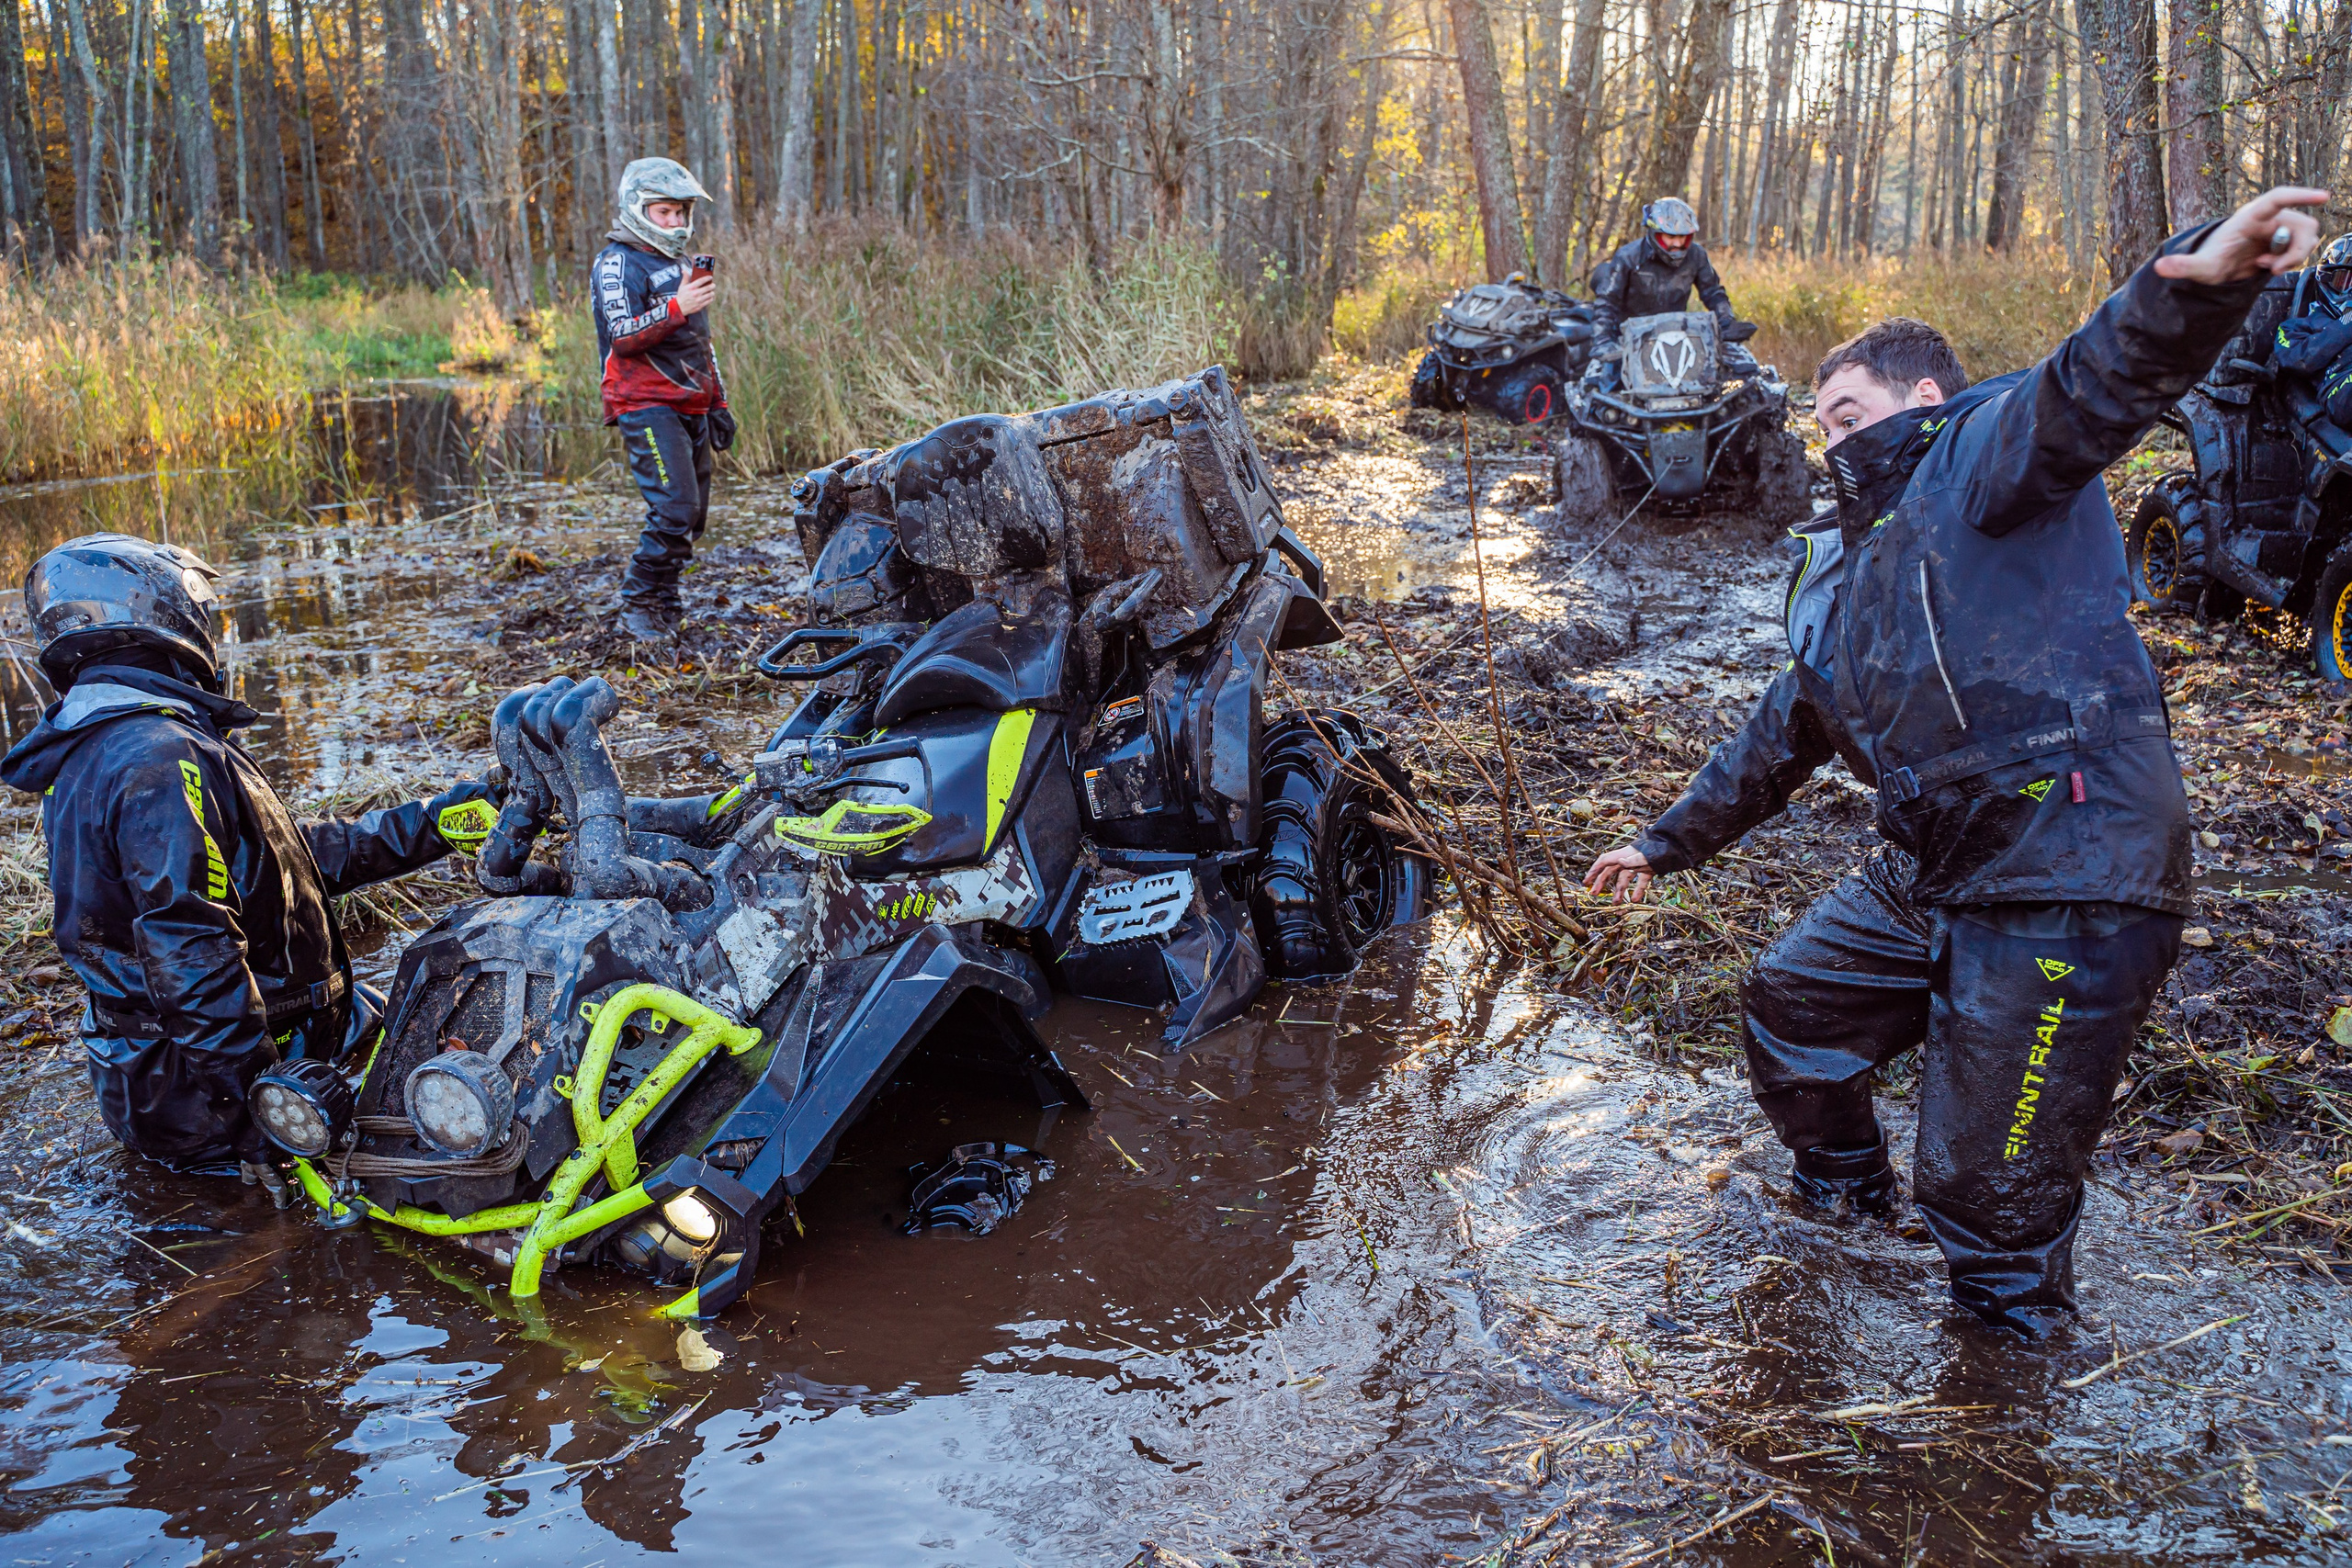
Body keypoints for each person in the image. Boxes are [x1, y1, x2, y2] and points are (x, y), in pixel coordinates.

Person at [1580, 186, 2329, 1339]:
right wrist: (1658, 844)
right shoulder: (1851, 569)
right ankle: (1842, 1217)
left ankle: (2003, 1389)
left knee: (1986, 1195)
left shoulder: (1981, 454)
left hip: (2065, 855)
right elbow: (1782, 730)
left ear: (1922, 398)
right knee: (1791, 1007)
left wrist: (2199, 284)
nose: (1830, 439)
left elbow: (2094, 380)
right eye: (1820, 423)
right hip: (1936, 861)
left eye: (1846, 412)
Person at [0, 535, 498, 1174]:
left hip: (206, 1066)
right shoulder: (158, 756)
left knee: (438, 1001)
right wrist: (261, 1113)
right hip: (209, 1094)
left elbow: (277, 862)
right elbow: (191, 952)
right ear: (159, 613)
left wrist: (436, 824)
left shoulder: (128, 739)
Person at [594, 156, 737, 643]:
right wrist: (677, 305)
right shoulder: (617, 262)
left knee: (692, 517)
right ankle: (638, 605)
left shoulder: (681, 265)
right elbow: (621, 335)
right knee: (674, 508)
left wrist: (719, 403)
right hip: (643, 400)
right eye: (664, 212)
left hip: (691, 400)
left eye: (680, 212)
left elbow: (702, 342)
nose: (675, 221)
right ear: (639, 209)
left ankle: (665, 602)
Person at [1588, 197, 1737, 346]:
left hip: (1676, 337)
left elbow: (1713, 292)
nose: (1677, 243)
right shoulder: (1628, 256)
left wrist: (1726, 322)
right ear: (1656, 234)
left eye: (1683, 237)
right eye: (1671, 236)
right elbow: (1607, 301)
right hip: (1629, 339)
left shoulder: (1696, 255)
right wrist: (1603, 339)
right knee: (1601, 360)